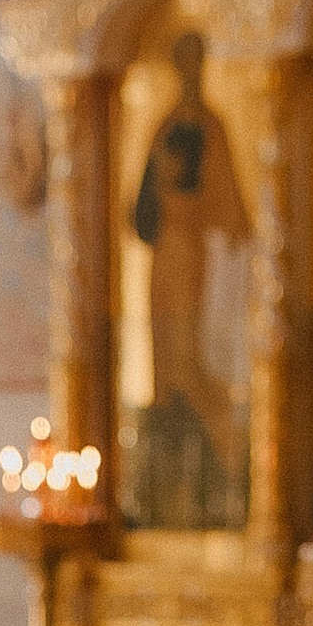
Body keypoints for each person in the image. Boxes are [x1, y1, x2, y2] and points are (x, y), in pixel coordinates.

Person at [129, 30, 250, 522]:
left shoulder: (214, 128)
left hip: (200, 263)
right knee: (169, 368)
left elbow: (232, 210)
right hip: (166, 267)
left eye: (197, 62)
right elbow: (142, 214)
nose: (191, 72)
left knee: (198, 361)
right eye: (183, 63)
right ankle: (167, 491)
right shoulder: (162, 129)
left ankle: (222, 475)